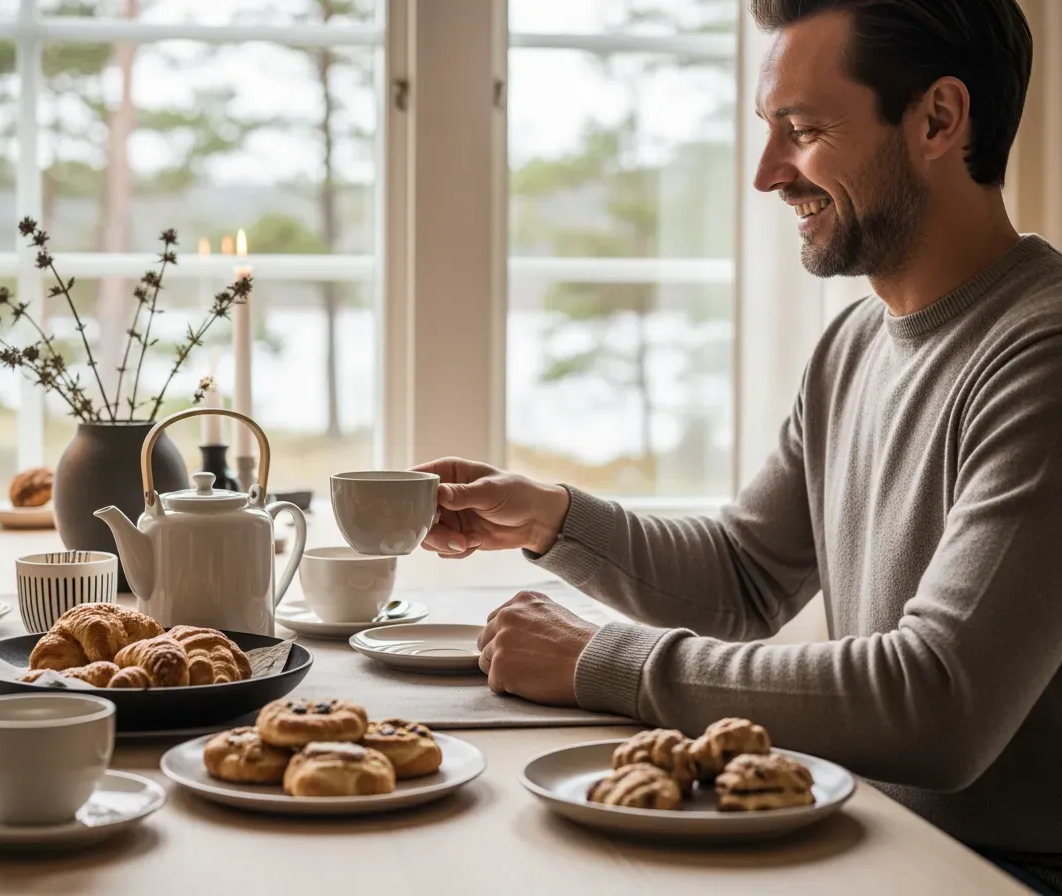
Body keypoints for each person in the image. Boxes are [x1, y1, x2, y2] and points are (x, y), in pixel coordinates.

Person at [416, 0, 1062, 891]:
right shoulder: (854, 346)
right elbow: (746, 576)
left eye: (801, 131)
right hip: (872, 848)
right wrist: (553, 519)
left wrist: (604, 662)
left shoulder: (1045, 352)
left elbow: (939, 701)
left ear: (939, 120)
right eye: (768, 131)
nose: (766, 175)